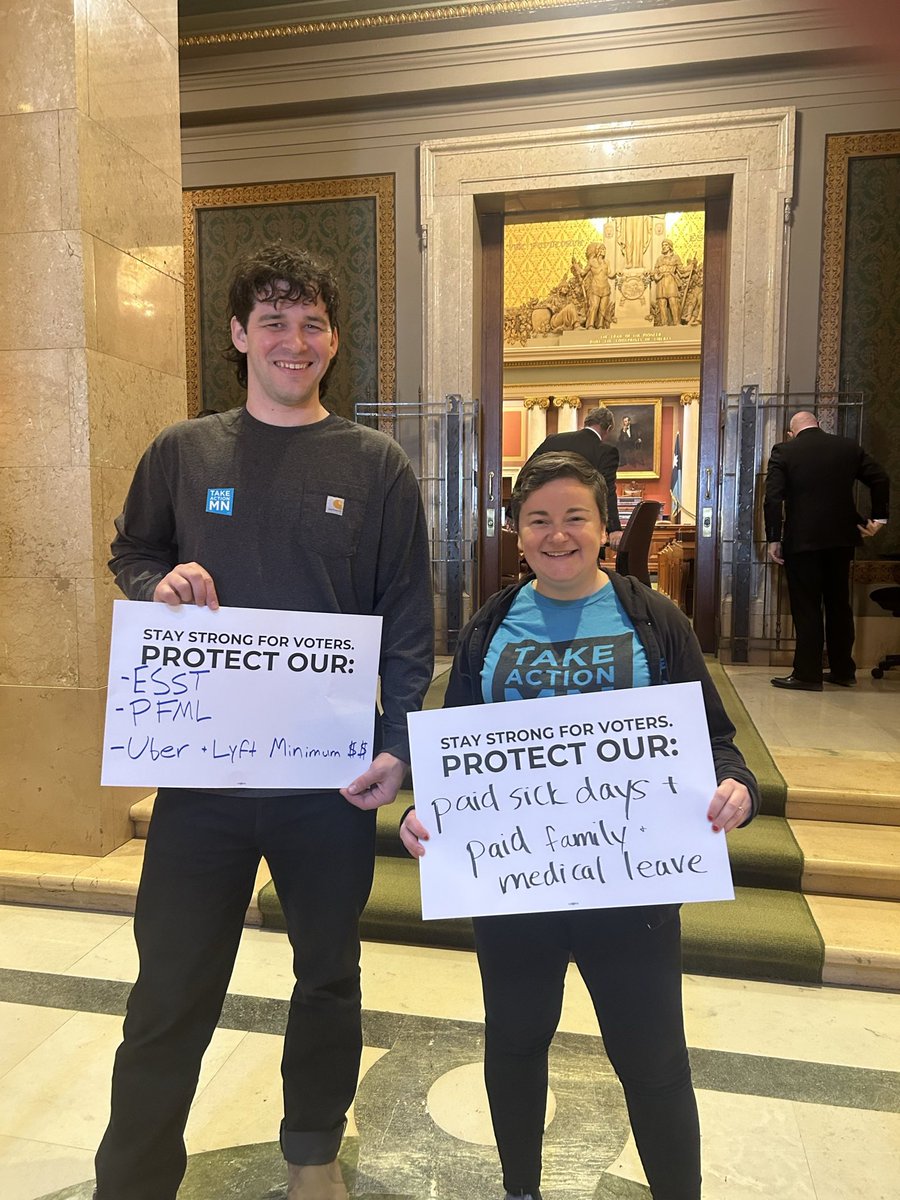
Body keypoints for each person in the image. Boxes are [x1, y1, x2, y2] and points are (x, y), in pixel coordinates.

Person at [94, 244, 434, 1200]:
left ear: (333, 341)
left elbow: (407, 619)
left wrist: (400, 744)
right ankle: (132, 1180)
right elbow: (133, 550)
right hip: (202, 782)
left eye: (313, 322)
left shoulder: (376, 467)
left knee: (327, 977)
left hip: (327, 783)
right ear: (239, 335)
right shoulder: (183, 451)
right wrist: (155, 584)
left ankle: (313, 1157)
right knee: (168, 991)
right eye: (274, 321)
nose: (295, 340)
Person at [401, 452, 759, 1200]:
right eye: (538, 520)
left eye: (575, 518)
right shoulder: (489, 626)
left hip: (631, 888)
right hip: (516, 886)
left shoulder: (653, 618)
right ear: (517, 532)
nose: (557, 535)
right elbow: (455, 749)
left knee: (653, 1061)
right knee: (515, 1044)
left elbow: (714, 736)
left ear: (605, 529)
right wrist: (425, 810)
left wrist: (738, 786)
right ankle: (520, 1190)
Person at [764, 410, 889, 690]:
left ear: (791, 433)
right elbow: (880, 478)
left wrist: (774, 538)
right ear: (818, 425)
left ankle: (808, 674)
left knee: (807, 606)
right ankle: (843, 670)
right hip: (841, 540)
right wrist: (879, 518)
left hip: (802, 541)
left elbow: (773, 498)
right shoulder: (847, 447)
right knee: (838, 604)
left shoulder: (785, 451)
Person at [525, 406, 623, 549]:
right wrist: (614, 529)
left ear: (586, 422)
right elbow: (606, 490)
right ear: (608, 429)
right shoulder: (606, 451)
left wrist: (513, 516)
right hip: (579, 526)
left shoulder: (553, 440)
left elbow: (526, 474)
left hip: (544, 522)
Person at [571, 242, 617, 329]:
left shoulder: (607, 262)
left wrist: (617, 274)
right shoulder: (592, 262)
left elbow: (610, 274)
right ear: (598, 251)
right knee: (594, 306)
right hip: (595, 287)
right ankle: (591, 325)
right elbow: (583, 272)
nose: (604, 251)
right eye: (602, 249)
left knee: (603, 308)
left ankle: (600, 325)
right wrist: (576, 266)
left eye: (605, 249)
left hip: (605, 288)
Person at [651, 239, 685, 325]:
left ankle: (676, 322)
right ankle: (664, 323)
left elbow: (681, 270)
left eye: (666, 245)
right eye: (663, 245)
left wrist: (691, 266)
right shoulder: (659, 259)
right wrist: (657, 276)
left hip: (671, 280)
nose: (664, 247)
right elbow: (655, 271)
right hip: (661, 281)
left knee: (673, 301)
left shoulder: (675, 257)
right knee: (662, 302)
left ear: (670, 246)